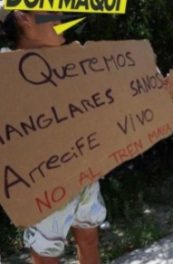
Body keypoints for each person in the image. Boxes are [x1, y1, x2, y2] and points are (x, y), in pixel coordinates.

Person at [1, 6, 106, 264]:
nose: (61, 20)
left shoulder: (75, 61)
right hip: (43, 188)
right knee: (47, 255)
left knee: (90, 239)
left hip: (85, 175)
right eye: (51, 13)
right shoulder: (5, 69)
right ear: (24, 19)